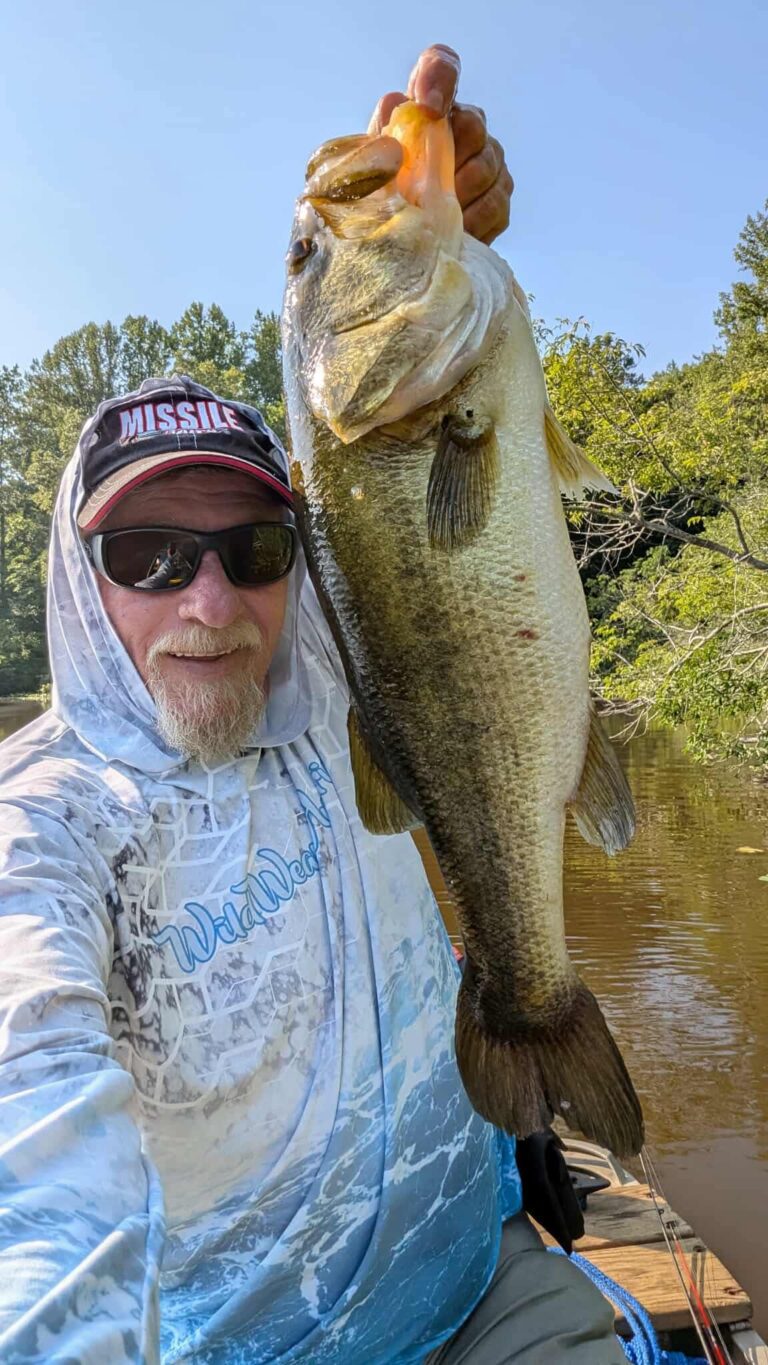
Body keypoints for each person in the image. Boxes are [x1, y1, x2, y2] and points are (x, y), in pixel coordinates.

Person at [0, 46, 625, 1365]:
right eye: (148, 554)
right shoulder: (43, 836)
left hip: (483, 1283)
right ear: (75, 582)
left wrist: (420, 214)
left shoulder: (334, 668)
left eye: (252, 547)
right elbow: (38, 1165)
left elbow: (420, 522)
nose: (211, 601)